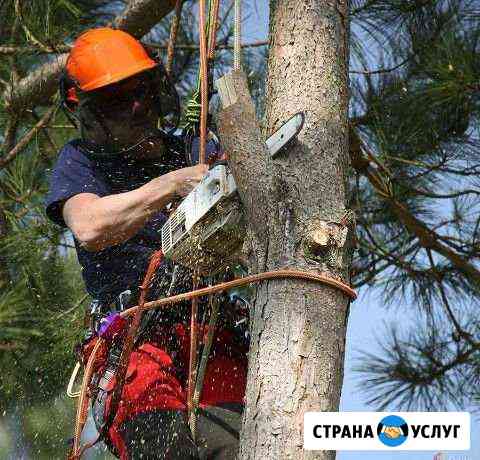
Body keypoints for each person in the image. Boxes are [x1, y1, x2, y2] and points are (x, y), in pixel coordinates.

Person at [44, 28, 248, 460]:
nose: (136, 107)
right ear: (92, 112)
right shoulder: (80, 161)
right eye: (119, 99)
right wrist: (170, 186)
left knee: (236, 447)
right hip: (138, 341)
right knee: (165, 447)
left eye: (140, 92)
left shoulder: (193, 148)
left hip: (213, 330)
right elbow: (90, 226)